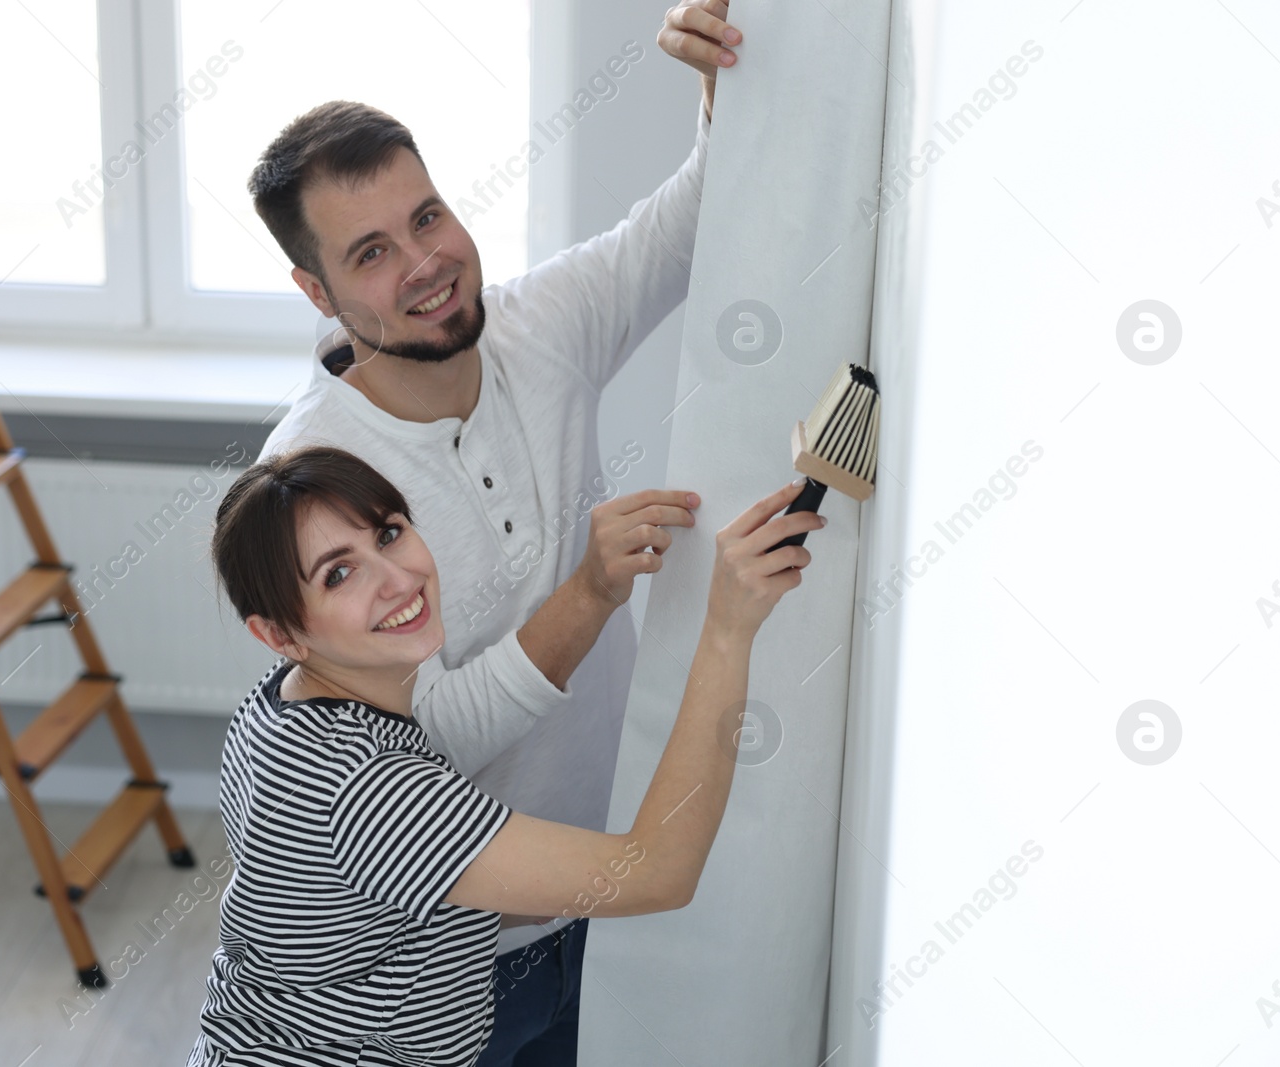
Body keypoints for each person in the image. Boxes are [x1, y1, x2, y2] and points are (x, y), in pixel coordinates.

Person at [246, 4, 743, 1057]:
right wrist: (592, 591)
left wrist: (721, 82)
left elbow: (698, 213)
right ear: (315, 291)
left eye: (427, 217)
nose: (424, 263)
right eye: (371, 251)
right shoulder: (311, 491)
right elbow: (409, 744)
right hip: (438, 954)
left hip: (589, 901)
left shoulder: (538, 324)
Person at [185, 446, 825, 1066]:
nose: (399, 579)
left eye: (388, 534)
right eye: (339, 574)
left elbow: (386, 901)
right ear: (279, 633)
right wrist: (726, 631)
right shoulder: (369, 788)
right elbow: (659, 873)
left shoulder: (276, 707)